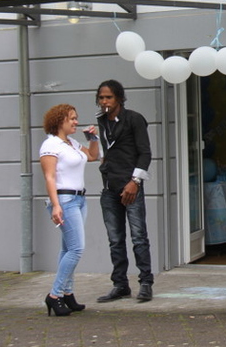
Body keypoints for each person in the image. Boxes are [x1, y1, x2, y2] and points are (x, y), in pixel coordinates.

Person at [94, 80, 154, 303]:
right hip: (110, 187)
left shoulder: (134, 119)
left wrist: (135, 181)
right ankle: (120, 285)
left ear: (119, 98)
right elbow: (106, 151)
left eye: (109, 97)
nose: (104, 102)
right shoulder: (101, 121)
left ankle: (146, 283)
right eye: (101, 98)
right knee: (115, 239)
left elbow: (145, 153)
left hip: (131, 186)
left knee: (138, 237)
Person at [40, 104, 99, 316]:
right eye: (72, 118)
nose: (76, 122)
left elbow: (92, 156)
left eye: (76, 118)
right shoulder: (51, 145)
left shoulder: (71, 143)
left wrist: (93, 138)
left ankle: (67, 294)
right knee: (76, 249)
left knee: (68, 249)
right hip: (65, 200)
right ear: (60, 121)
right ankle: (54, 295)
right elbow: (49, 177)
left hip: (79, 199)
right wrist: (55, 205)